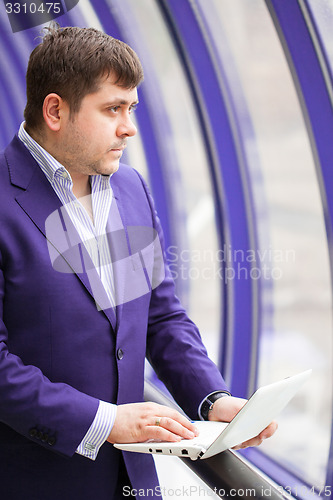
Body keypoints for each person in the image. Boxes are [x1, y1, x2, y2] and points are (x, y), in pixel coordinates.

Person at [0, 24, 277, 499]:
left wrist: (212, 399)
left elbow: (158, 317)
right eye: (113, 109)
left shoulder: (129, 188)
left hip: (133, 482)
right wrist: (106, 421)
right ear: (54, 110)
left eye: (131, 109)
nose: (129, 127)